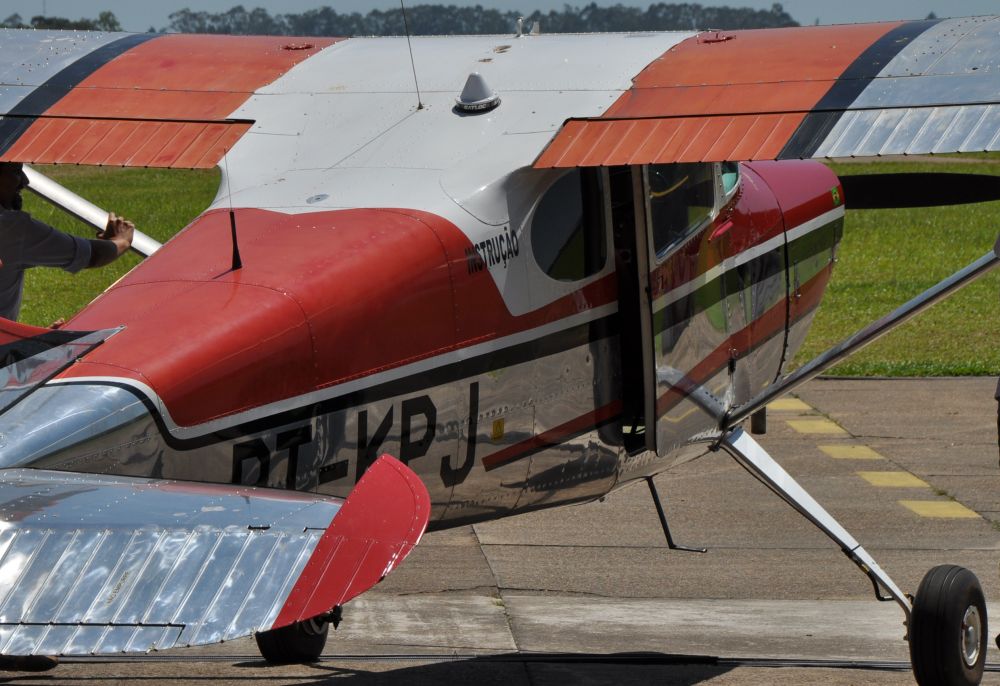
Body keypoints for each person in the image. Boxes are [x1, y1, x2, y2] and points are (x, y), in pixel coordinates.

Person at [0, 162, 135, 322]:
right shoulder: (11, 227)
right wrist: (122, 240)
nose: (24, 181)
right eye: (16, 171)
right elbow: (93, 255)